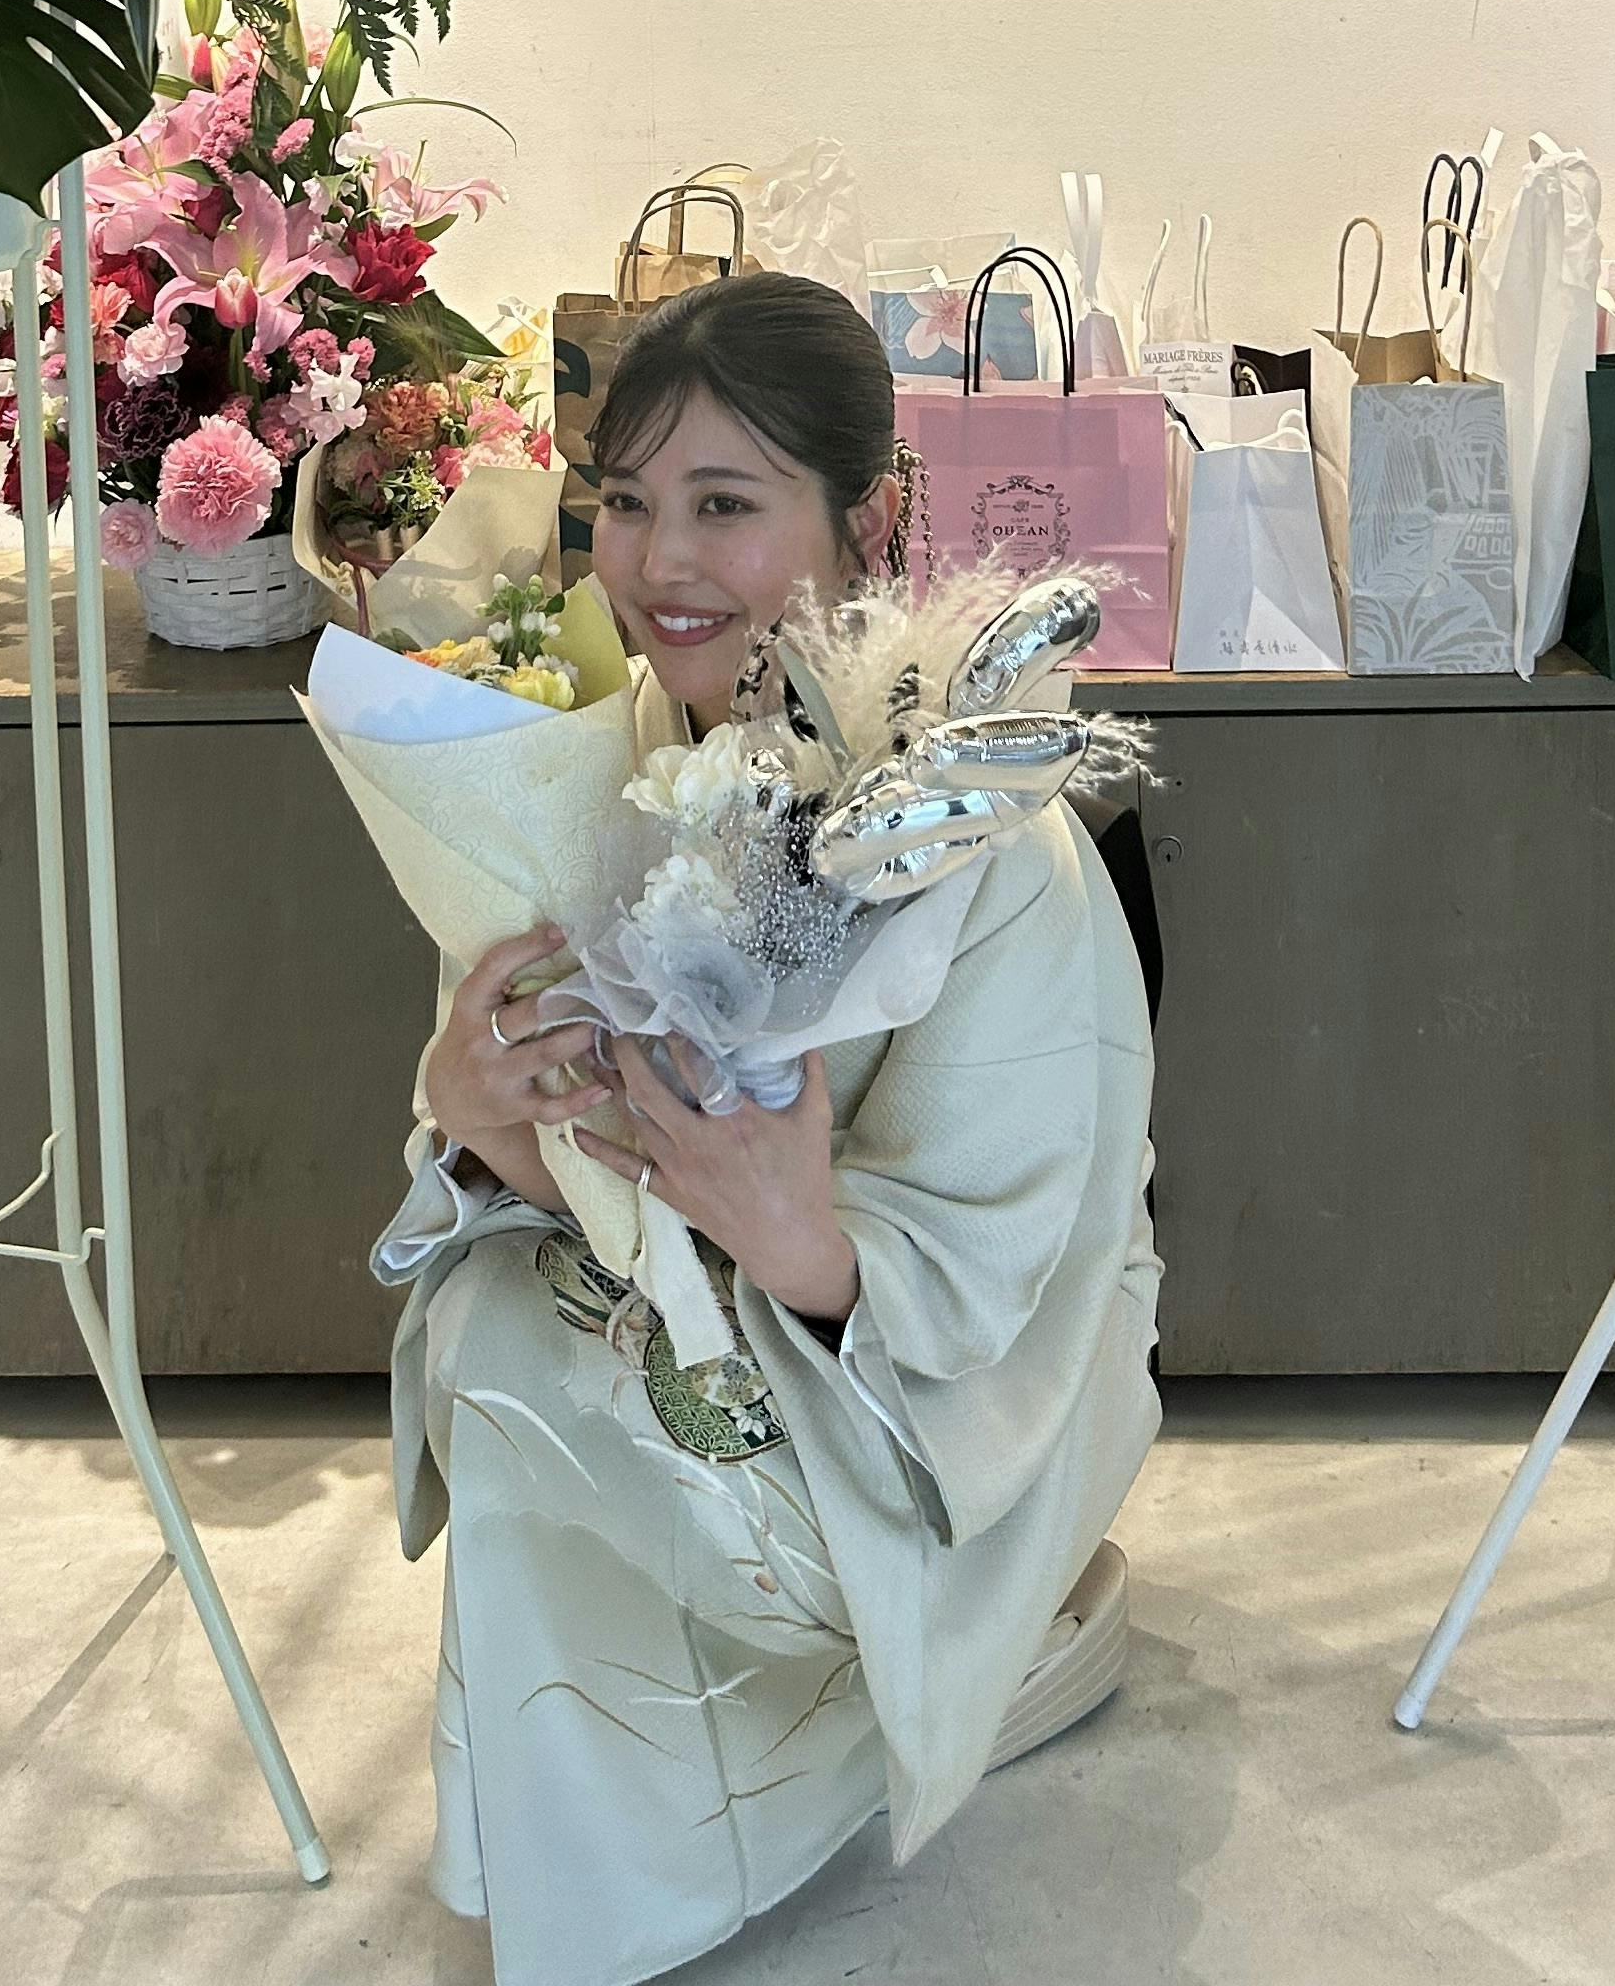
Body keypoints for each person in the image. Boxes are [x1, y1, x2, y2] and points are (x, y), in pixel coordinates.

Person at [374, 269, 1162, 1986]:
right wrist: (473, 1123)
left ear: (866, 522)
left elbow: (1008, 1266)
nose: (660, 561)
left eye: (726, 505)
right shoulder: (588, 770)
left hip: (934, 1385)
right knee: (489, 1327)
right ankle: (595, 1849)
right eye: (626, 503)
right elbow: (544, 1163)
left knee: (543, 1383)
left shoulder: (995, 840)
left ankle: (940, 1654)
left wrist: (801, 1241)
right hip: (693, 1306)